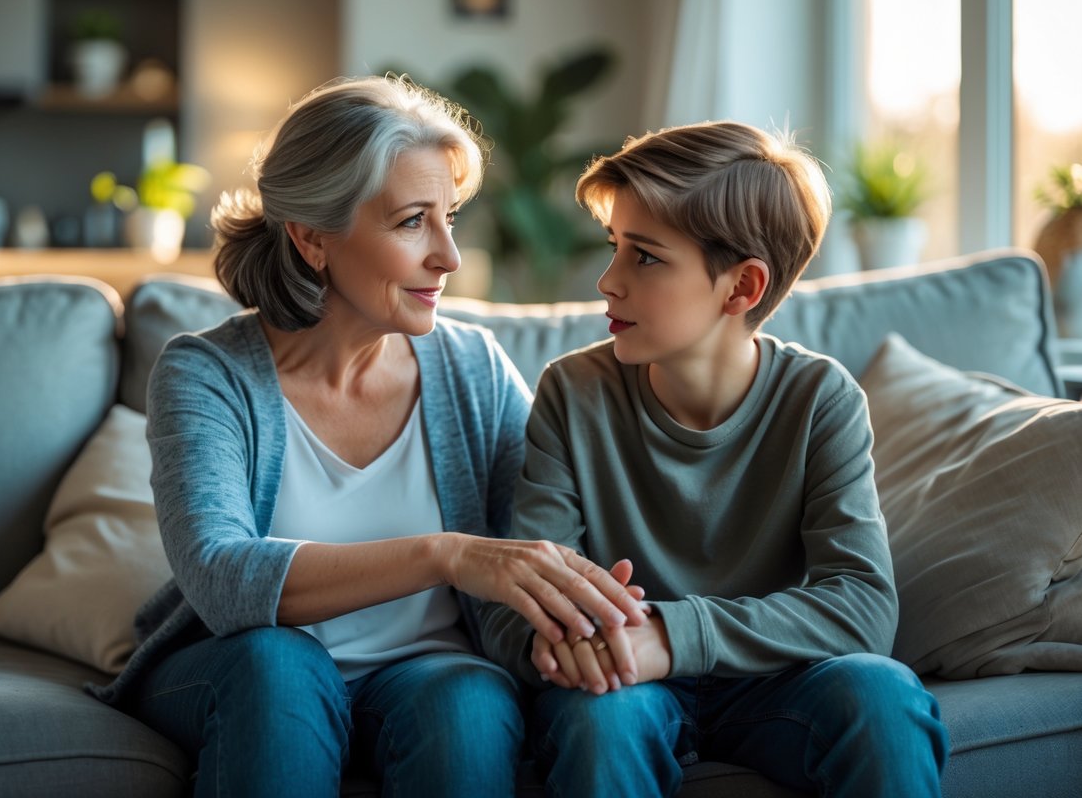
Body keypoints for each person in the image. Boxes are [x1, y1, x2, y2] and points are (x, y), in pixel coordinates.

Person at [90, 75, 647, 798]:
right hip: (244, 666)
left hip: (427, 669)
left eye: (449, 218)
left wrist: (590, 604)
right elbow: (223, 581)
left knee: (468, 704)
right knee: (280, 669)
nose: (447, 256)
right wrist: (443, 555)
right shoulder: (207, 373)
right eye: (413, 221)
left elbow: (536, 543)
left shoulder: (472, 366)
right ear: (312, 237)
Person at [479, 121, 950, 797]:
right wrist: (557, 640)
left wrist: (669, 637)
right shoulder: (571, 392)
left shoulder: (820, 399)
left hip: (777, 684)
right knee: (599, 721)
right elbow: (525, 593)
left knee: (880, 695)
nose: (607, 281)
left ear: (740, 288)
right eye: (613, 248)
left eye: (643, 257)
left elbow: (861, 605)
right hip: (622, 684)